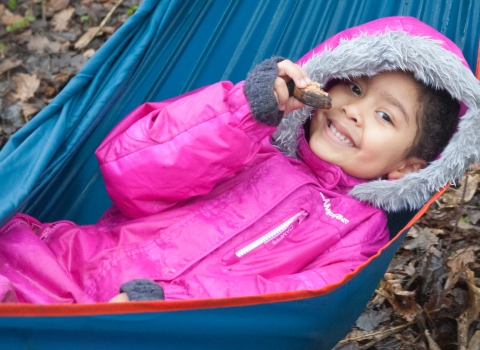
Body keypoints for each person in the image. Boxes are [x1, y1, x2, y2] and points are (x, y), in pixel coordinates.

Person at [0, 16, 474, 304]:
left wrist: (174, 303)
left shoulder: (356, 234)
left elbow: (292, 302)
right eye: (353, 86)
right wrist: (241, 111)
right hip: (65, 268)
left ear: (409, 168)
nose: (353, 109)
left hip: (155, 324)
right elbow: (129, 171)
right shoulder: (249, 139)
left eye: (385, 115)